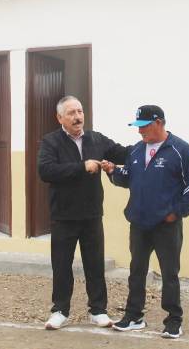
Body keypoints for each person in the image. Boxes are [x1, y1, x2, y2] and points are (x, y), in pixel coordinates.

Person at [101, 105, 189, 339]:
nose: (140, 131)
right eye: (137, 127)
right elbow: (128, 178)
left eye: (143, 126)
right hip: (139, 223)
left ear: (158, 123)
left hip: (166, 226)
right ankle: (133, 316)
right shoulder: (137, 150)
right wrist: (112, 171)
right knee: (136, 271)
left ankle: (173, 321)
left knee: (169, 273)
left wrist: (177, 213)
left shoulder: (180, 150)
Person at [38, 95, 129, 330]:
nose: (77, 117)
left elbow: (123, 153)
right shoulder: (51, 142)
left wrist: (149, 144)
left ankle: (98, 310)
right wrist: (82, 167)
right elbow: (46, 171)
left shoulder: (96, 139)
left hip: (91, 214)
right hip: (63, 216)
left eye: (80, 111)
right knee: (61, 265)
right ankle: (60, 311)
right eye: (71, 113)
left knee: (95, 264)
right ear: (60, 118)